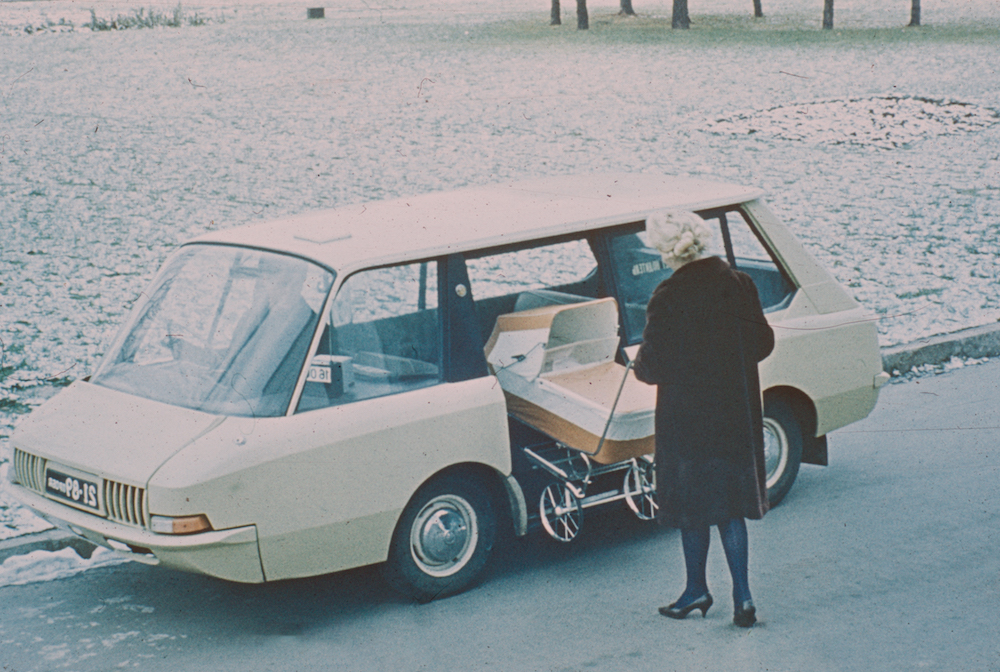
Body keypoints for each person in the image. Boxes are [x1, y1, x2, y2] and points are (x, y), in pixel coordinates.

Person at [632, 210, 775, 628]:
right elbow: (762, 343)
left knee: (692, 508)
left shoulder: (667, 296)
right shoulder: (739, 284)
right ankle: (743, 597)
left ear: (665, 251)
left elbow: (650, 368)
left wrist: (638, 362)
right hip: (733, 416)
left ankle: (696, 590)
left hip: (688, 424)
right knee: (730, 509)